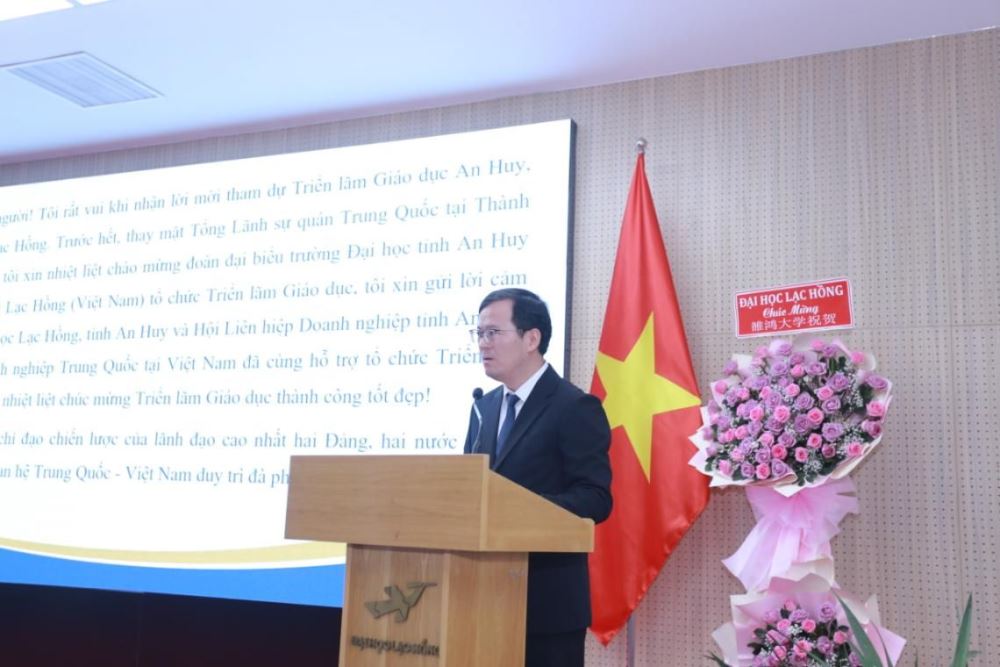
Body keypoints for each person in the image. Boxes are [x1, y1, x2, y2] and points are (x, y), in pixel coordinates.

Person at [464, 288, 612, 667]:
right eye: (479, 333)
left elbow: (595, 497)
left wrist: (521, 509)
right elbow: (469, 490)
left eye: (493, 332)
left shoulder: (574, 406)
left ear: (532, 338)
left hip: (548, 606)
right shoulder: (484, 407)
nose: (483, 343)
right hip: (483, 598)